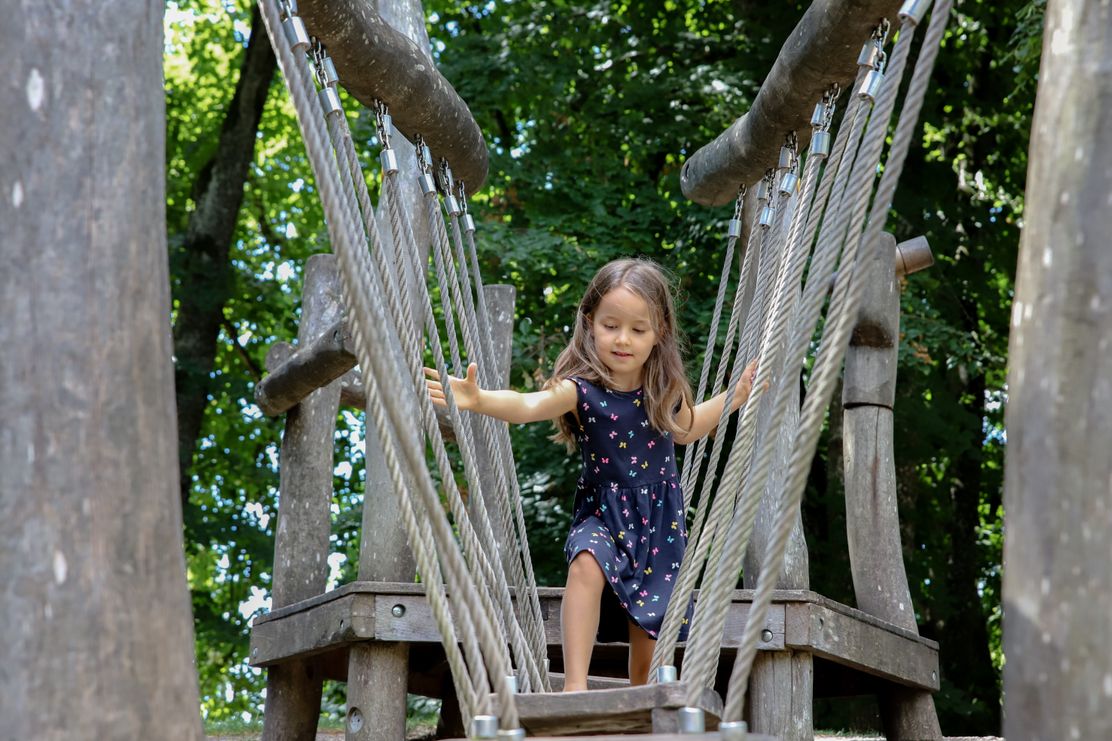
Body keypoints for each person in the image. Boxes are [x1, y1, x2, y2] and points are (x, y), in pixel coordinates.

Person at [424, 258, 758, 692]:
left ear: (659, 335)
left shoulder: (662, 389)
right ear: (590, 324)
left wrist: (735, 397)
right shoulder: (579, 389)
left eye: (639, 330)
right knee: (585, 564)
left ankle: (642, 703)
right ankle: (574, 687)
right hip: (602, 514)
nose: (623, 339)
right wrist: (479, 399)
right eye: (611, 325)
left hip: (657, 525)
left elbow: (687, 429)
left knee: (647, 649)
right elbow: (527, 406)